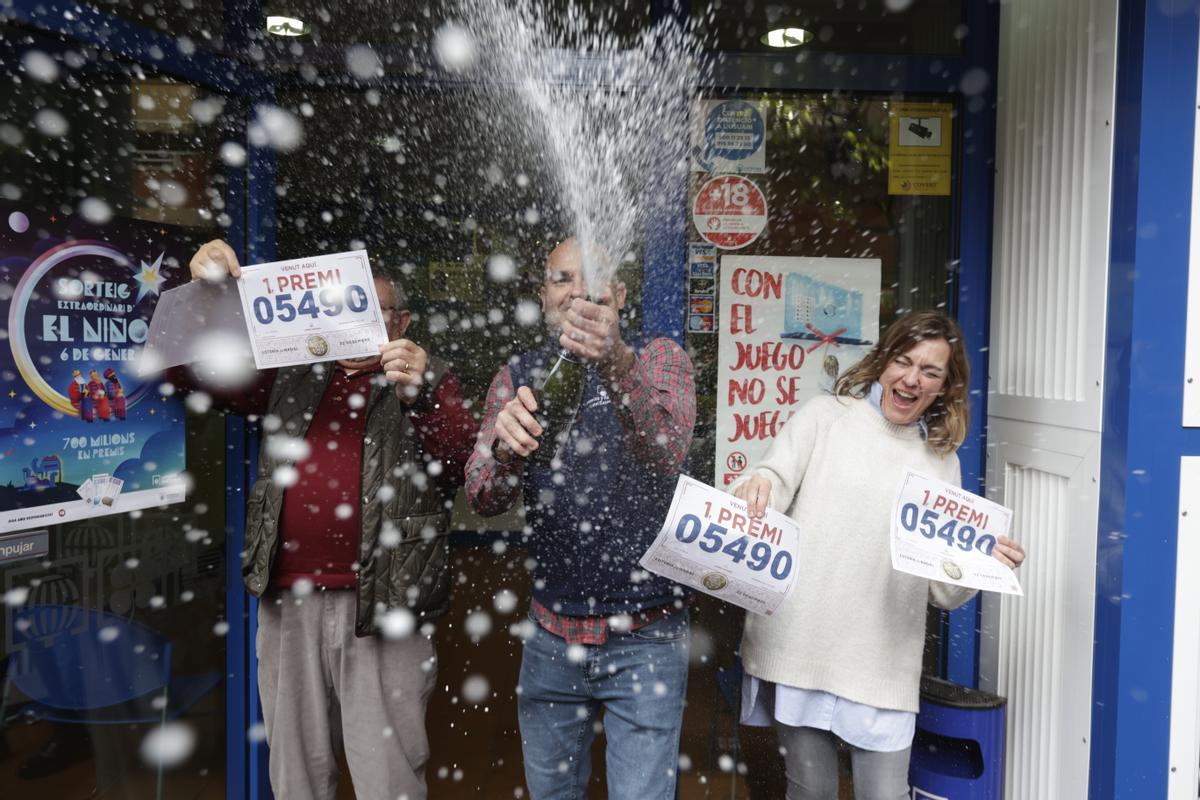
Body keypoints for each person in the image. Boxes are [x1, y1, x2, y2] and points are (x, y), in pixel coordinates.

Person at [184, 239, 478, 800]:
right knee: (295, 775)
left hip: (385, 605)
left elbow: (466, 463)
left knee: (387, 775)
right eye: (345, 308)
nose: (356, 324)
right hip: (286, 602)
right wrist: (210, 300)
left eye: (374, 311)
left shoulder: (427, 379)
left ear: (402, 322)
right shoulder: (288, 372)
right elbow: (197, 378)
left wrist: (423, 395)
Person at [731, 310, 1026, 800]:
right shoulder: (825, 418)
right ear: (883, 361)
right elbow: (774, 480)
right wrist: (759, 482)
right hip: (804, 643)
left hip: (881, 661)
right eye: (903, 362)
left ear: (945, 386)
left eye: (930, 372)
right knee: (810, 792)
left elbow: (943, 590)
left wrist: (981, 562)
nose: (911, 379)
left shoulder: (940, 461)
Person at [466, 238, 697, 800]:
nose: (577, 294)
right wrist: (502, 451)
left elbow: (665, 454)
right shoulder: (520, 375)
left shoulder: (660, 357)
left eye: (592, 281)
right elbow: (482, 496)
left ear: (618, 295)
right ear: (544, 294)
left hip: (646, 635)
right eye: (562, 279)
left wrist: (616, 361)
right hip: (552, 636)